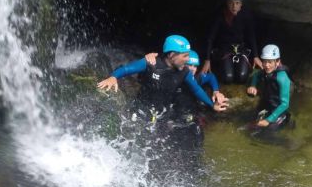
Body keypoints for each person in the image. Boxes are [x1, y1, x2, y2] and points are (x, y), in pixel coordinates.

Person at [97, 35, 227, 127]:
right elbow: (126, 69)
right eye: (185, 55)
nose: (187, 59)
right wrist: (113, 77)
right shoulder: (151, 63)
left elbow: (197, 89)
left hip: (162, 115)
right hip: (140, 110)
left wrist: (211, 105)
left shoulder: (184, 72)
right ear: (171, 55)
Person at [202, 0, 262, 84]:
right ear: (226, 2)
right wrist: (207, 60)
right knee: (228, 77)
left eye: (237, 3)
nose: (234, 6)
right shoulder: (220, 15)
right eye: (231, 3)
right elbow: (210, 38)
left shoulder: (246, 15)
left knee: (242, 77)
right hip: (225, 49)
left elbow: (251, 35)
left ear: (241, 4)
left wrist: (255, 56)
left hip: (241, 49)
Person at [246, 44, 291, 131]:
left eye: (270, 62)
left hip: (279, 110)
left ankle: (287, 141)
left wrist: (269, 120)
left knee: (268, 132)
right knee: (251, 124)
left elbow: (285, 104)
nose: (266, 65)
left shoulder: (282, 78)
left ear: (277, 62)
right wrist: (253, 85)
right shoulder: (264, 71)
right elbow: (256, 75)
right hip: (267, 106)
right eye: (264, 61)